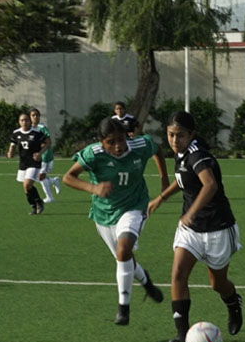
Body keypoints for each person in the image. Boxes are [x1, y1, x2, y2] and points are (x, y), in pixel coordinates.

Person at [147, 111, 243, 342]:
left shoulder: (197, 154)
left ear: (192, 134)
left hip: (218, 228)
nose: (174, 140)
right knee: (178, 274)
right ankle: (182, 335)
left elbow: (209, 185)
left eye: (180, 135)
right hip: (190, 230)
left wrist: (191, 212)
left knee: (217, 283)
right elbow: (182, 181)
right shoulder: (180, 154)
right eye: (170, 134)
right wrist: (161, 197)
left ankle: (233, 303)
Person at [62, 117, 169, 325]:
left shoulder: (140, 145)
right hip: (103, 214)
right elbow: (68, 177)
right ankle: (145, 281)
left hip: (134, 207)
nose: (118, 146)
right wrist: (93, 188)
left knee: (123, 250)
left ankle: (123, 307)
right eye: (111, 142)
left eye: (121, 140)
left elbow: (157, 150)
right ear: (101, 141)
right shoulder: (93, 154)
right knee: (124, 257)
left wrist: (164, 178)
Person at [7, 113, 48, 215]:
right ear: (19, 122)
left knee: (27, 184)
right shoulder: (16, 133)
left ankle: (39, 201)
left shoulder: (36, 133)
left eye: (26, 120)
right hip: (23, 163)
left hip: (34, 162)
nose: (24, 122)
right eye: (22, 120)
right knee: (26, 188)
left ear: (30, 121)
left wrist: (40, 153)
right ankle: (34, 206)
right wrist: (10, 152)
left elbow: (48, 143)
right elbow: (13, 144)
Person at [30, 108, 61, 203]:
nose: (35, 117)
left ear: (39, 117)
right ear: (30, 117)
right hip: (36, 156)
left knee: (40, 177)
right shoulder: (30, 128)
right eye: (33, 115)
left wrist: (39, 151)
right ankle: (54, 181)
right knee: (38, 177)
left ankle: (50, 197)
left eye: (37, 115)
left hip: (45, 156)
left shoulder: (42, 128)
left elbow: (47, 142)